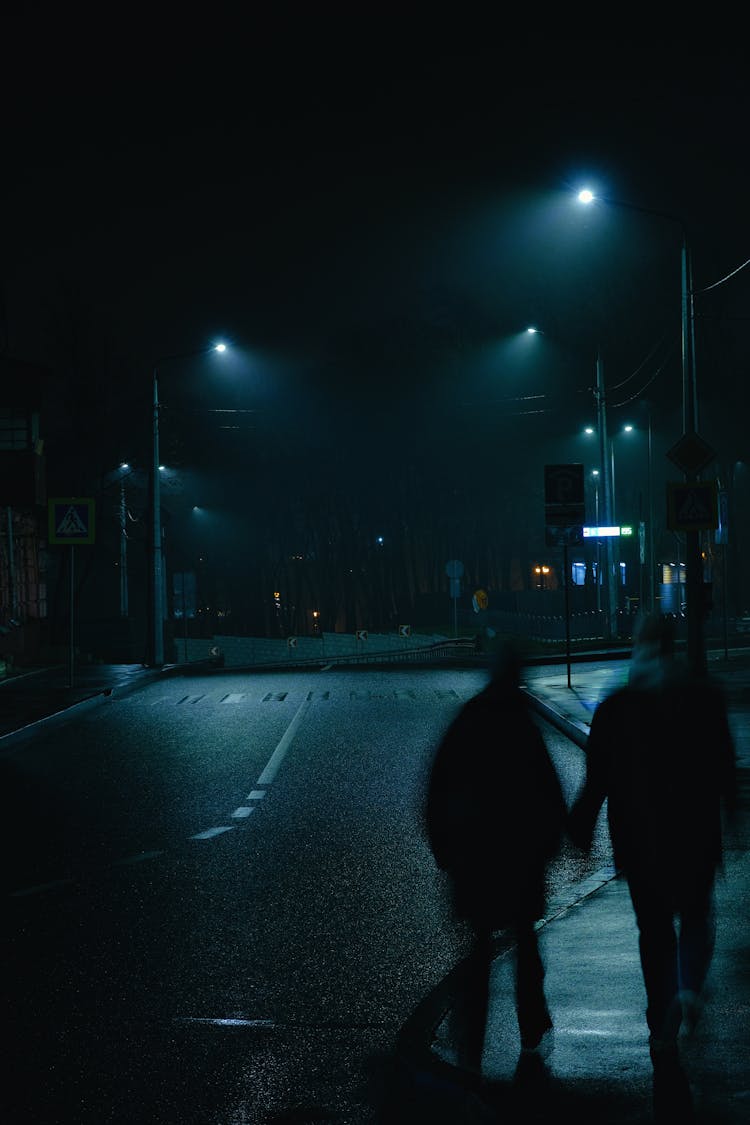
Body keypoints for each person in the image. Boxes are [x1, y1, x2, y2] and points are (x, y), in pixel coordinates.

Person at [567, 613, 737, 1119]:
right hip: (695, 836)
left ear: (639, 646)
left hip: (640, 842)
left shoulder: (617, 707)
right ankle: (687, 987)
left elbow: (597, 776)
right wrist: (733, 820)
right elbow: (723, 764)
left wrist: (578, 828)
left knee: (654, 930)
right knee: (698, 917)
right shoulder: (703, 697)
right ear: (675, 645)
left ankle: (659, 1016)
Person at [424, 641, 566, 1073]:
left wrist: (444, 849)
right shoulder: (521, 722)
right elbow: (547, 791)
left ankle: (471, 1047)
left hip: (476, 858)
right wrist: (551, 844)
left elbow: (440, 785)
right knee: (525, 945)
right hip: (519, 858)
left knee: (479, 953)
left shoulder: (470, 717)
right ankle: (532, 1029)